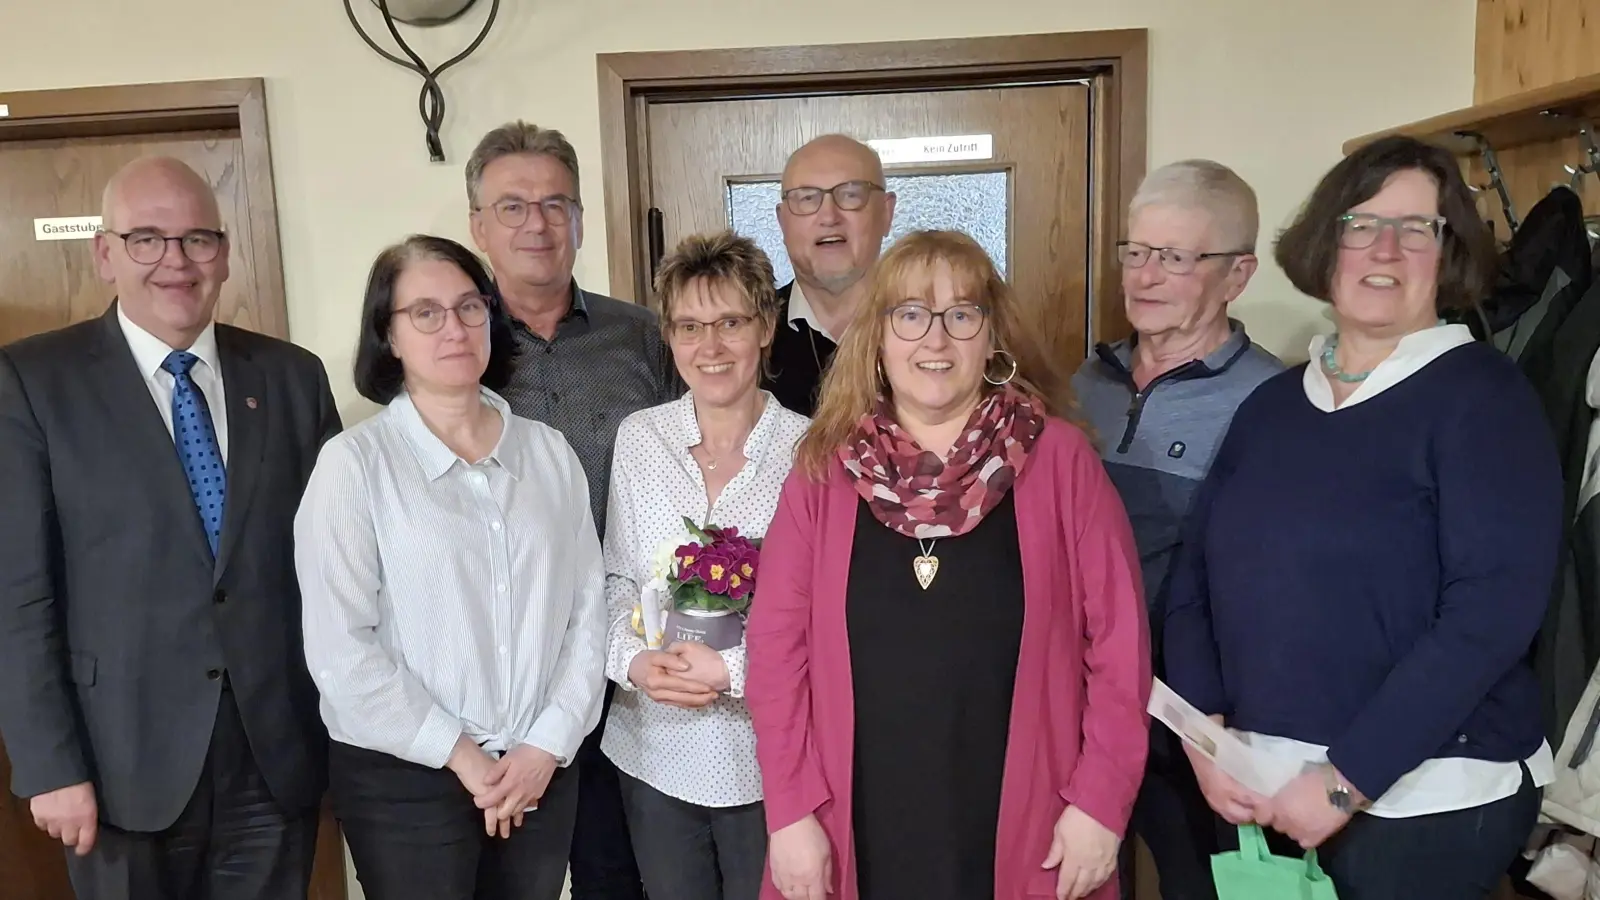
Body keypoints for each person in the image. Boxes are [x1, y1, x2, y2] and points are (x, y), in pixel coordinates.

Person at [1164, 135, 1563, 899]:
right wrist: (1203, 738)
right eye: (1362, 224)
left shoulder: (1484, 399)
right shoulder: (1272, 405)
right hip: (1256, 793)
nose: (1386, 248)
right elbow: (1193, 579)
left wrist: (1346, 780)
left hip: (1422, 801)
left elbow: (1491, 616)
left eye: (1417, 228)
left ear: (1448, 254)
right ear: (1328, 242)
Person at [745, 229, 1152, 900]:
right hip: (854, 824)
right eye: (910, 314)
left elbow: (1120, 648)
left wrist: (1100, 803)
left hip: (1031, 823)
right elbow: (775, 654)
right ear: (878, 338)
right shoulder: (824, 470)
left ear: (991, 337)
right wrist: (789, 812)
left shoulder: (1060, 462)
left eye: (961, 314)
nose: (935, 339)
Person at [0, 156, 342, 900]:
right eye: (147, 239)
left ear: (225, 253)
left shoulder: (292, 377)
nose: (176, 262)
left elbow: (335, 573)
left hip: (274, 759)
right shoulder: (31, 381)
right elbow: (17, 594)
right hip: (116, 766)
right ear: (106, 254)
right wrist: (49, 765)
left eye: (197, 239)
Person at [295, 234, 608, 900]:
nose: (455, 328)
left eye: (470, 306)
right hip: (407, 781)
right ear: (389, 336)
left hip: (538, 771)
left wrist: (545, 744)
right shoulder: (354, 466)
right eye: (426, 313)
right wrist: (463, 755)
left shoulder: (548, 453)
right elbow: (340, 651)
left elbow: (589, 612)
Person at [466, 120, 677, 898]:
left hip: (630, 657)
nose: (538, 224)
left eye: (556, 204)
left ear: (581, 219)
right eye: (513, 206)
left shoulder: (645, 339)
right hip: (507, 665)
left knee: (619, 874)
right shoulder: (457, 344)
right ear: (478, 226)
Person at [1071, 159, 1283, 900]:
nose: (1145, 276)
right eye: (1135, 251)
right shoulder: (1084, 384)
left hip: (1197, 721)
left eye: (1175, 257)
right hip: (1083, 705)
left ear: (1237, 274)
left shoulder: (1275, 404)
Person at [601, 230, 809, 900]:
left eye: (730, 323)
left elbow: (828, 616)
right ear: (669, 336)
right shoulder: (640, 439)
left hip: (769, 758)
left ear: (766, 327)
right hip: (652, 750)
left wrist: (734, 671)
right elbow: (615, 580)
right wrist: (633, 660)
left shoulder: (812, 452)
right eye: (690, 326)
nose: (710, 346)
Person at [764, 134, 897, 416]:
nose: (829, 217)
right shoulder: (745, 337)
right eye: (807, 198)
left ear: (886, 213)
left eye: (850, 195)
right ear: (782, 222)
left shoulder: (935, 331)